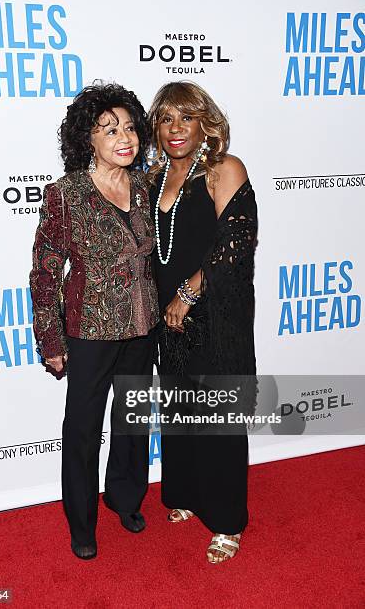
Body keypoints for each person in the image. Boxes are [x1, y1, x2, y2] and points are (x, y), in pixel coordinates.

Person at [30, 82, 159, 560]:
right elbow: (45, 271)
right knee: (83, 429)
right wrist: (50, 338)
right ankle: (81, 523)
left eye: (129, 127)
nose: (124, 137)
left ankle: (126, 498)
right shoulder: (66, 195)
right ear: (88, 138)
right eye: (110, 129)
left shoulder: (146, 186)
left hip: (142, 325)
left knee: (131, 420)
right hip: (88, 330)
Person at [148, 81, 257, 564]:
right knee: (180, 410)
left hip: (212, 313)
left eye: (187, 118)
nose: (176, 128)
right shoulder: (154, 178)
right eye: (167, 118)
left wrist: (188, 295)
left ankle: (228, 520)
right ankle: (187, 492)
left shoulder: (222, 170)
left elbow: (234, 244)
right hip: (166, 318)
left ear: (204, 124)